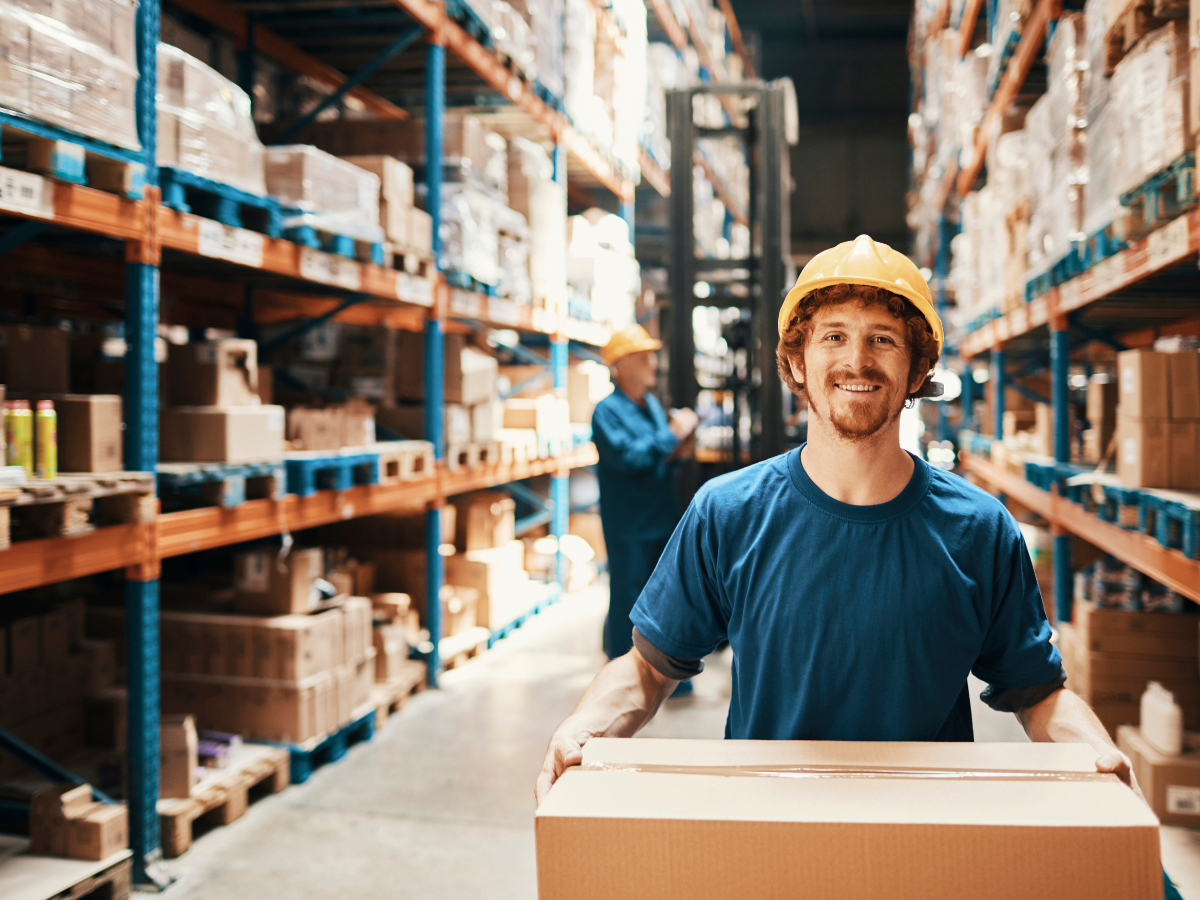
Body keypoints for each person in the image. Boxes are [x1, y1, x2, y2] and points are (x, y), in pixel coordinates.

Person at [536, 234, 1142, 808]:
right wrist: (581, 726)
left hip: (931, 841)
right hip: (769, 834)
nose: (856, 359)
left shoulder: (978, 529)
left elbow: (1036, 691)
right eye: (832, 337)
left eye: (882, 339)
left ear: (916, 370)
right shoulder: (729, 513)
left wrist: (1096, 752)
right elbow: (647, 668)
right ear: (797, 362)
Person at [590, 323, 698, 683]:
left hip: (660, 517)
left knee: (662, 600)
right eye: (643, 357)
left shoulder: (650, 405)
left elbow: (657, 457)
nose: (653, 363)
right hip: (629, 525)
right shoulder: (606, 412)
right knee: (628, 599)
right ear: (620, 365)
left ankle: (663, 677)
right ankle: (622, 678)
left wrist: (679, 451)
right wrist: (671, 435)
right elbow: (629, 459)